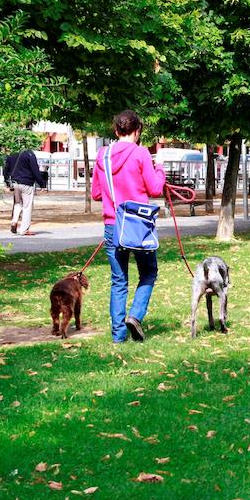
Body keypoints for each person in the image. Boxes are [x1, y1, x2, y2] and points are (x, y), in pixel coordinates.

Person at [91, 110, 166, 343]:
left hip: (113, 225)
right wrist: (160, 169)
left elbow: (95, 193)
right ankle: (135, 316)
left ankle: (118, 337)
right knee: (149, 272)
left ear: (115, 131)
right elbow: (155, 189)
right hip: (138, 226)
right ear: (137, 131)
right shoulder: (141, 153)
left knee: (118, 280)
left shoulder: (102, 155)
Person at [4, 149, 45, 235]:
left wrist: (7, 183)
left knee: (17, 203)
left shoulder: (12, 153)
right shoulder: (29, 154)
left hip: (15, 183)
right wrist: (41, 184)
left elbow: (6, 169)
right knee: (27, 206)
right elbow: (35, 170)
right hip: (27, 183)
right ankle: (24, 229)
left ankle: (14, 221)